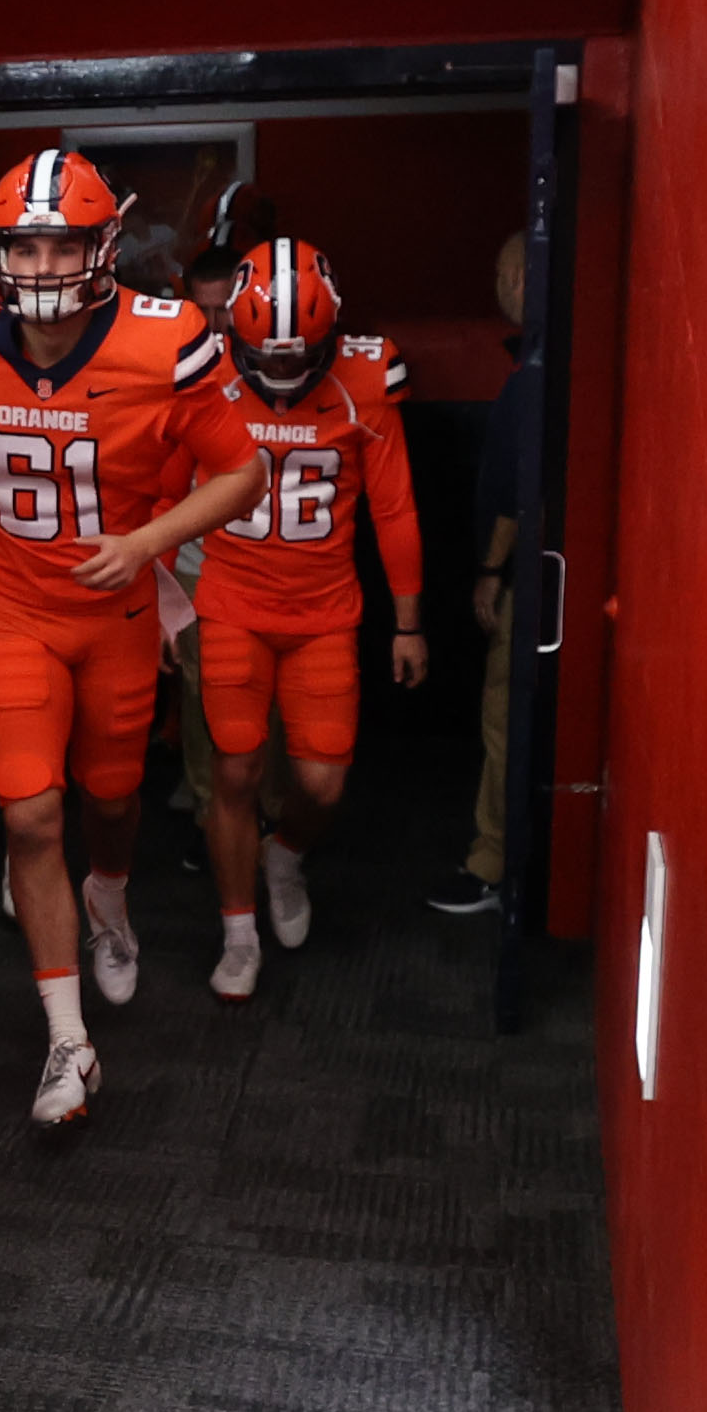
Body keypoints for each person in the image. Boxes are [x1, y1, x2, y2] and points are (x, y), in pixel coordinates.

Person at [0, 149, 266, 1127]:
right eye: (26, 243)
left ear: (106, 247)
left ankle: (109, 896)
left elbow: (241, 475)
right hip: (11, 608)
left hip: (118, 615)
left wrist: (147, 540)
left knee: (109, 800)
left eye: (66, 241)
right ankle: (66, 1040)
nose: (46, 262)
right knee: (29, 816)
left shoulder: (165, 341)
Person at [187, 238, 425, 1001]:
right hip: (231, 601)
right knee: (233, 768)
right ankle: (236, 930)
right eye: (270, 355)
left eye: (300, 355)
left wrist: (409, 621)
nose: (284, 370)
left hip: (325, 611)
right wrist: (159, 599)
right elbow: (161, 488)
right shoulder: (206, 370)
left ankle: (283, 856)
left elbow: (391, 506)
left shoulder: (365, 375)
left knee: (321, 782)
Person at [436, 229, 533, 918]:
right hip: (530, 573)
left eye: (504, 272)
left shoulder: (536, 372)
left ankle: (493, 863)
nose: (498, 285)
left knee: (504, 718)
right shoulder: (536, 360)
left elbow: (515, 491)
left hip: (526, 578)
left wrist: (489, 571)